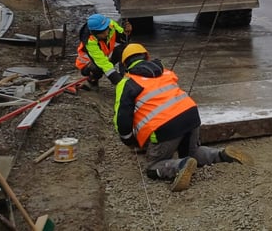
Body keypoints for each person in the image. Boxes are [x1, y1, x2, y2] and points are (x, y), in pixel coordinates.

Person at [113, 43, 254, 192]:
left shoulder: (127, 82)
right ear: (146, 56)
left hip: (164, 126)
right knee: (192, 152)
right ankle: (221, 154)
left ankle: (180, 165)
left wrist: (128, 139)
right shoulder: (165, 72)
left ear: (125, 64)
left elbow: (122, 118)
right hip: (191, 115)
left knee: (153, 167)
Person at [75, 13, 131, 87]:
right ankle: (92, 79)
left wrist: (127, 32)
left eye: (106, 30)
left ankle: (124, 75)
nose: (106, 33)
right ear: (94, 33)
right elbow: (102, 63)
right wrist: (118, 81)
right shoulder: (90, 42)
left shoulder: (110, 24)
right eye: (103, 32)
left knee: (125, 49)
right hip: (88, 65)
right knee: (96, 68)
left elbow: (123, 39)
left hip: (104, 57)